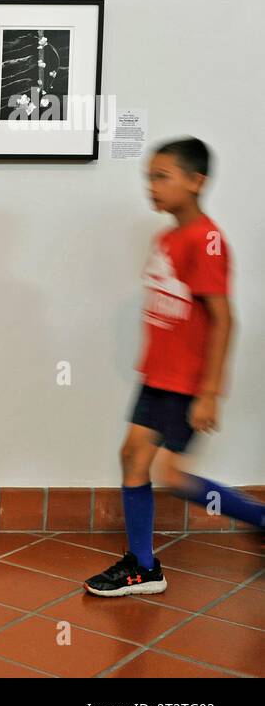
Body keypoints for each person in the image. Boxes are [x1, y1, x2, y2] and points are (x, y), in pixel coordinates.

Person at [85, 138, 265, 596]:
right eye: (149, 177)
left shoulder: (205, 241)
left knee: (170, 474)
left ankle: (258, 518)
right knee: (133, 458)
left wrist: (209, 392)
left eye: (163, 177)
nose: (152, 186)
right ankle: (143, 567)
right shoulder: (167, 237)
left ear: (195, 181)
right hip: (159, 377)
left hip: (186, 382)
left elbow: (224, 319)